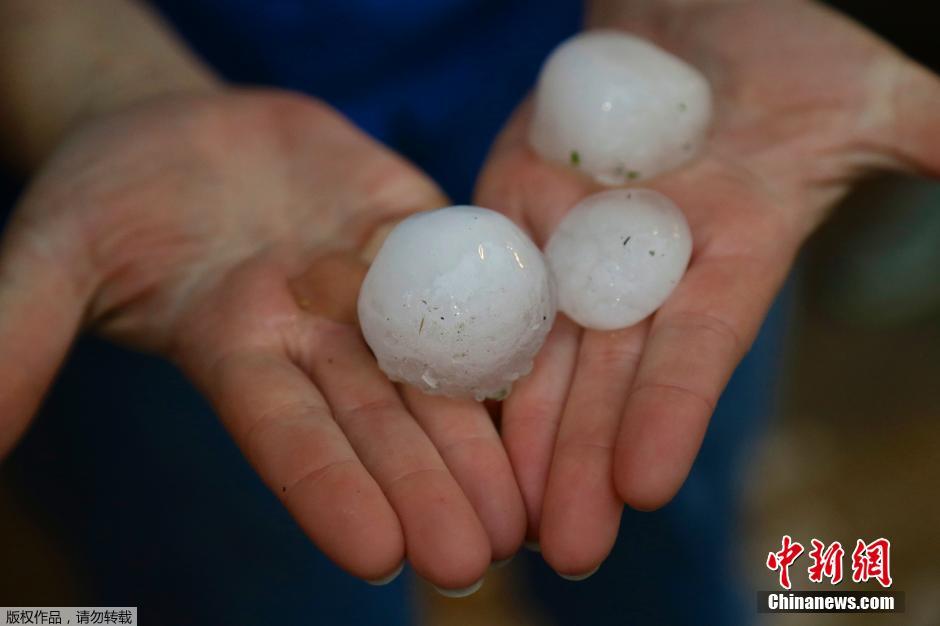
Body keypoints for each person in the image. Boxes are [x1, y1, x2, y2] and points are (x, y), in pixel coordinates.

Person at [1, 0, 937, 623]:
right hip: (205, 202)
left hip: (565, 66)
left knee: (667, 505)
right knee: (269, 573)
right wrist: (79, 66)